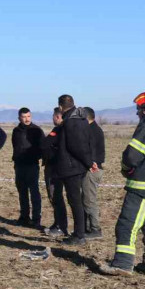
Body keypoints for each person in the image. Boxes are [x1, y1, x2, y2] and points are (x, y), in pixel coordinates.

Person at [100, 92, 145, 276]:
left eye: (139, 109)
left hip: (142, 187)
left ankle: (122, 264)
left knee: (127, 225)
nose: (137, 113)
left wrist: (126, 169)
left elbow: (131, 156)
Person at [55, 95, 96, 246]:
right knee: (77, 200)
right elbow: (87, 142)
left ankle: (79, 235)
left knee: (75, 201)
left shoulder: (71, 122)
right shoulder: (82, 119)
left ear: (60, 106)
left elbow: (76, 146)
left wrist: (88, 162)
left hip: (71, 167)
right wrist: (88, 161)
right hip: (79, 166)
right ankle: (80, 232)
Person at [11, 108, 44, 228]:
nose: (26, 119)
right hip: (19, 166)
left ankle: (36, 219)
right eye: (24, 117)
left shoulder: (37, 130)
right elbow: (15, 146)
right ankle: (24, 217)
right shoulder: (16, 131)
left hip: (32, 166)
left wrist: (34, 156)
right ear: (19, 118)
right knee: (22, 192)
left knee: (34, 192)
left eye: (28, 116)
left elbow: (42, 147)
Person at [41, 108, 69, 238]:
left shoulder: (59, 130)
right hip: (57, 167)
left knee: (55, 196)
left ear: (57, 117)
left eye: (53, 116)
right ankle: (58, 224)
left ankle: (60, 227)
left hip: (55, 168)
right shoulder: (64, 129)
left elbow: (46, 144)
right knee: (55, 197)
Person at [82, 107, 105, 240]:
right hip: (92, 168)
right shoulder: (92, 129)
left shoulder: (93, 131)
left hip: (92, 169)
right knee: (86, 199)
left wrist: (91, 163)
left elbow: (91, 151)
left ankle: (95, 229)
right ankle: (88, 227)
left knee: (89, 200)